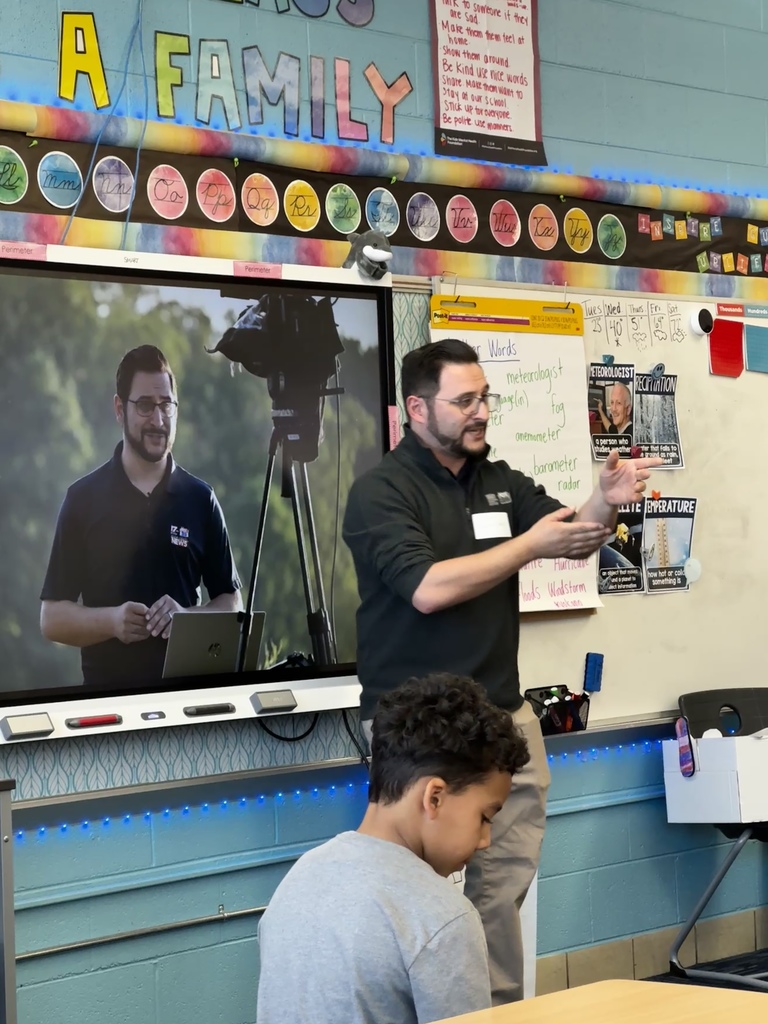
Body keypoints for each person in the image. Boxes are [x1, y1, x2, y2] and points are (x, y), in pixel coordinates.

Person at [342, 338, 662, 1004]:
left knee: (501, 895)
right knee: (410, 902)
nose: (480, 411)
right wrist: (527, 546)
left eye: (485, 396)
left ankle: (499, 1015)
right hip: (418, 733)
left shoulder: (498, 480)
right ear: (416, 409)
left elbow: (570, 536)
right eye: (465, 401)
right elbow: (427, 587)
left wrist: (604, 500)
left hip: (501, 718)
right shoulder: (380, 493)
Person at [256, 672, 530, 1024]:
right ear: (434, 797)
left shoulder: (299, 879)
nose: (485, 840)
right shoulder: (443, 918)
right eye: (485, 817)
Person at [40, 345, 242, 686]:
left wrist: (187, 618)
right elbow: (51, 619)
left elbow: (232, 603)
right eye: (146, 405)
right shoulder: (83, 499)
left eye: (166, 405)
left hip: (187, 703)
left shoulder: (200, 498)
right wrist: (113, 622)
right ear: (120, 409)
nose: (159, 419)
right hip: (108, 710)